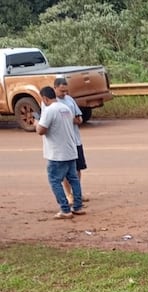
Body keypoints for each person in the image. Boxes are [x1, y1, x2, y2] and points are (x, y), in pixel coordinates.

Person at [35, 85, 84, 219]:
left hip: (57, 153)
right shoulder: (65, 108)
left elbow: (41, 130)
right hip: (70, 150)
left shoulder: (50, 110)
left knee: (55, 181)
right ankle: (78, 206)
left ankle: (65, 209)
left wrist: (36, 123)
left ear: (45, 98)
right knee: (74, 179)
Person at [53, 76, 88, 204]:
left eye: (66, 91)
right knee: (66, 170)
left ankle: (77, 192)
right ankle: (69, 195)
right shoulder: (52, 104)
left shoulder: (69, 100)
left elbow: (79, 118)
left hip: (75, 139)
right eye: (62, 91)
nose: (64, 93)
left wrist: (77, 120)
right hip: (63, 142)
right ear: (55, 88)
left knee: (77, 168)